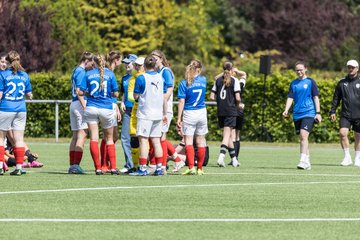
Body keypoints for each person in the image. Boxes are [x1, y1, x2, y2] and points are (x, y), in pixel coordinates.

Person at [79, 54, 119, 175]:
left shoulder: (88, 74)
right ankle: (112, 168)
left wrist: (88, 93)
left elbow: (80, 92)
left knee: (94, 139)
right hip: (106, 108)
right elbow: (116, 94)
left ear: (93, 63)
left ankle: (97, 168)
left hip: (91, 107)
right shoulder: (110, 74)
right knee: (109, 139)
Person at [129, 55, 166, 176]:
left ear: (144, 66)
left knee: (143, 141)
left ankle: (143, 168)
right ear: (155, 65)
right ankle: (160, 168)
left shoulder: (141, 77)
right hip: (157, 113)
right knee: (156, 141)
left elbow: (135, 96)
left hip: (145, 113)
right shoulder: (161, 78)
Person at [283, 61, 322, 170]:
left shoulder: (310, 82)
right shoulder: (293, 83)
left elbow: (316, 98)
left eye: (301, 69)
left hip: (309, 113)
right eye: (297, 70)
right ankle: (307, 162)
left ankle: (302, 161)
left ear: (305, 69)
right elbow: (290, 97)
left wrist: (318, 113)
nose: (299, 72)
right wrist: (286, 110)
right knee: (302, 138)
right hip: (297, 114)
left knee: (304, 136)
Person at [0, 50, 33, 176]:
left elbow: (0, 94)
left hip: (6, 108)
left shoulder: (3, 74)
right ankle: (19, 167)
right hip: (21, 109)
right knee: (19, 139)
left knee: (1, 138)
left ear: (8, 62)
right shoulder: (24, 75)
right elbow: (29, 94)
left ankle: (0, 167)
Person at [151, 50, 180, 173]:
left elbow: (169, 90)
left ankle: (162, 166)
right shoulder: (156, 72)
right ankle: (172, 160)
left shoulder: (166, 72)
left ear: (161, 59)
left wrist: (162, 103)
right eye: (151, 58)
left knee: (161, 138)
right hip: (157, 109)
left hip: (165, 110)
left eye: (155, 58)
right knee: (156, 137)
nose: (153, 61)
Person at [177, 60, 208, 175]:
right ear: (199, 70)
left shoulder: (183, 83)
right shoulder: (204, 80)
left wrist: (178, 118)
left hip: (190, 113)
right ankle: (200, 168)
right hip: (201, 112)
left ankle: (191, 167)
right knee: (201, 141)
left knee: (188, 141)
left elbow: (181, 101)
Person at [210, 61, 241, 168]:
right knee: (227, 135)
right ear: (232, 69)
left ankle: (234, 160)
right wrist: (237, 105)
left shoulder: (218, 80)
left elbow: (212, 97)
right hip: (231, 110)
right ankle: (221, 157)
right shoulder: (234, 80)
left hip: (221, 110)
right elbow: (237, 98)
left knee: (229, 136)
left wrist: (220, 102)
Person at [330, 60, 360, 166]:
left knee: (358, 136)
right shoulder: (342, 82)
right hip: (346, 114)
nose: (350, 69)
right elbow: (336, 98)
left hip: (359, 115)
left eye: (352, 67)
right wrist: (332, 111)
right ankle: (347, 157)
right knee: (342, 133)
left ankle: (357, 157)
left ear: (357, 68)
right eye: (349, 67)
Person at [68, 52, 94, 174]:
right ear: (87, 61)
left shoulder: (74, 70)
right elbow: (79, 92)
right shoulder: (81, 71)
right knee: (82, 135)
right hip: (79, 104)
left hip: (73, 103)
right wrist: (85, 107)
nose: (92, 65)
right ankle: (75, 165)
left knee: (75, 136)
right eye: (91, 62)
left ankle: (72, 164)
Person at [99, 50, 122, 172]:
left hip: (110, 105)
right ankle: (104, 164)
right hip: (108, 106)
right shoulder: (109, 72)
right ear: (115, 60)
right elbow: (113, 94)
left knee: (113, 136)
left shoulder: (108, 72)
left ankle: (106, 163)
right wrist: (115, 106)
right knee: (108, 136)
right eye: (120, 60)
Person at [119, 54, 137, 174]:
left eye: (128, 63)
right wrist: (122, 101)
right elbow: (124, 93)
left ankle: (142, 163)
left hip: (138, 111)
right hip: (127, 111)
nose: (126, 65)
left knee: (140, 138)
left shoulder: (140, 77)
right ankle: (129, 165)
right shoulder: (124, 78)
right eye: (125, 63)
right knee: (125, 138)